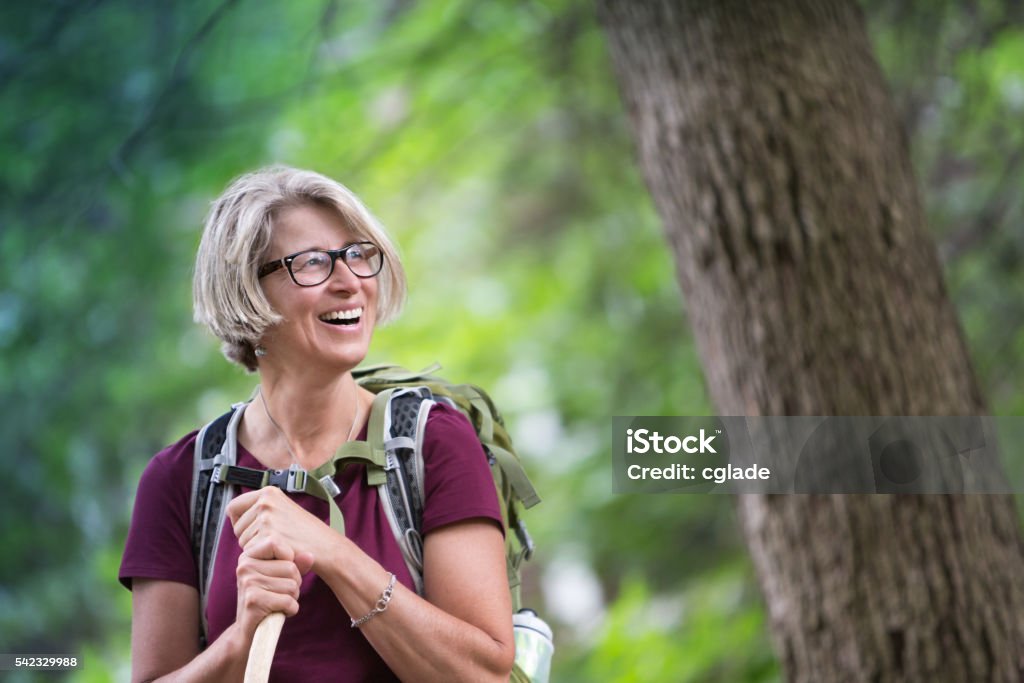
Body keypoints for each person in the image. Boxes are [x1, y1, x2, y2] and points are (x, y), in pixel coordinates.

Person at [119, 166, 515, 682]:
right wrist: (239, 640)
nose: (350, 282)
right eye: (312, 263)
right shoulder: (180, 479)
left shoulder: (434, 441)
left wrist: (334, 555)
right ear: (247, 291)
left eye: (357, 255)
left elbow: (484, 675)